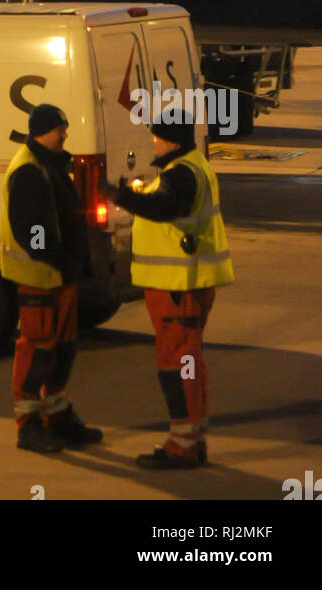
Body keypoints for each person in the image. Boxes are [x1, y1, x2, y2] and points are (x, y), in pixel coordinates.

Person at [102, 111, 234, 469]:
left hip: (178, 286)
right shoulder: (192, 166)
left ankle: (184, 445)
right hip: (184, 284)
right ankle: (190, 438)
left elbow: (163, 207)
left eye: (157, 137)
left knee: (181, 363)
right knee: (187, 361)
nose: (153, 143)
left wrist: (120, 196)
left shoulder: (182, 174)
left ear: (172, 139)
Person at [0, 103, 103, 454]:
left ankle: (57, 418)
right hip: (42, 277)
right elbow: (33, 231)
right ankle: (29, 427)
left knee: (61, 349)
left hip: (61, 275)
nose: (66, 134)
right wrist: (55, 257)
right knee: (37, 351)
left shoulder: (48, 164)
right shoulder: (29, 170)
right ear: (45, 130)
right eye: (61, 128)